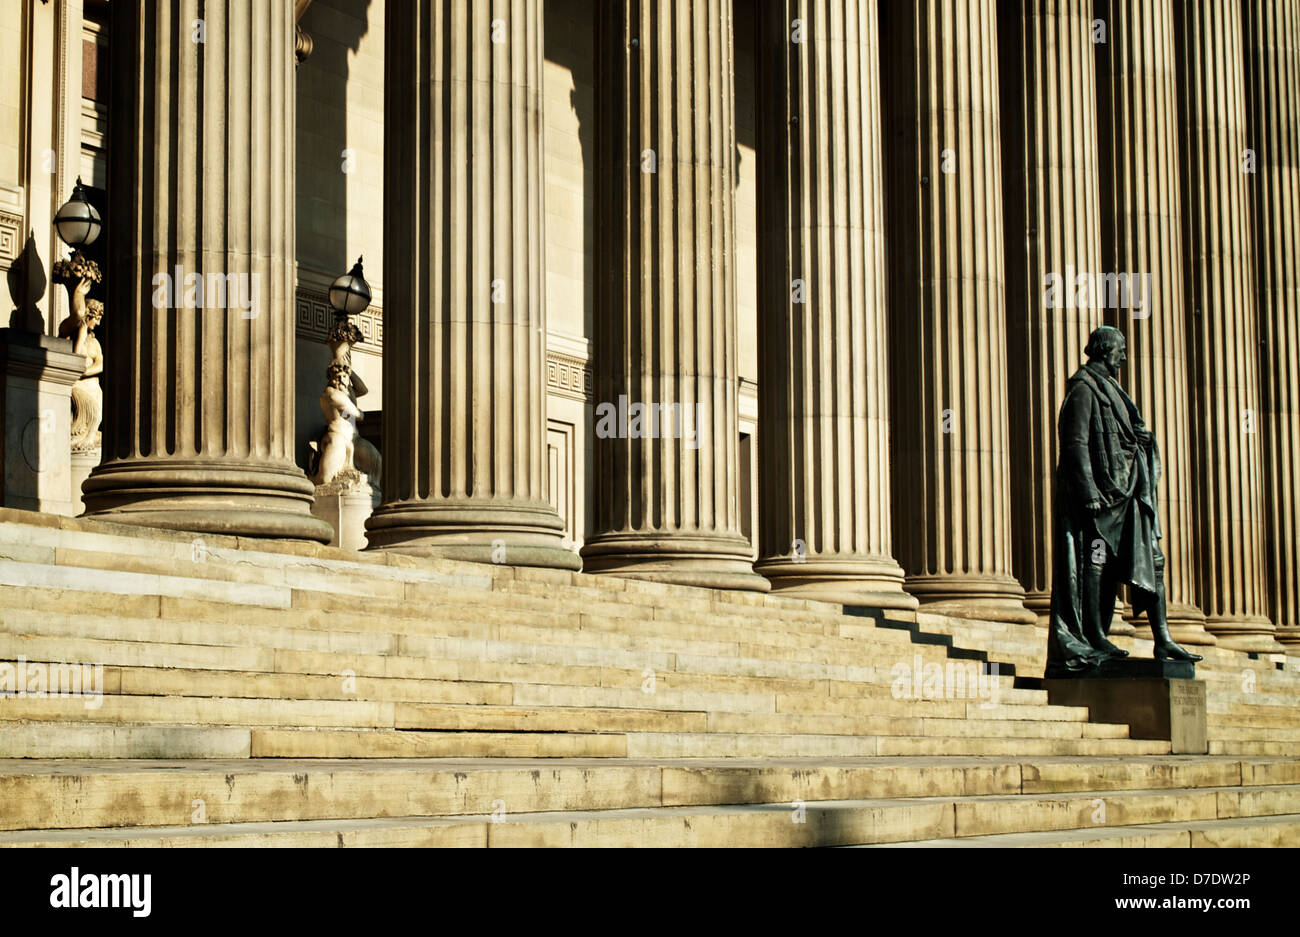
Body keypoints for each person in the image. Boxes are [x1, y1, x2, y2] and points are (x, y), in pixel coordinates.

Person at [1048, 326, 1202, 671]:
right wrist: (1087, 492)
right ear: (1105, 351)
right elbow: (1074, 445)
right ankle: (1094, 635)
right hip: (1101, 499)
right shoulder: (1085, 390)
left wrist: (1144, 438)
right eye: (1121, 349)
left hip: (1127, 493)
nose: (1125, 356)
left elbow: (1125, 440)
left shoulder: (1113, 389)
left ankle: (1162, 638)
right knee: (1097, 561)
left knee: (1154, 560)